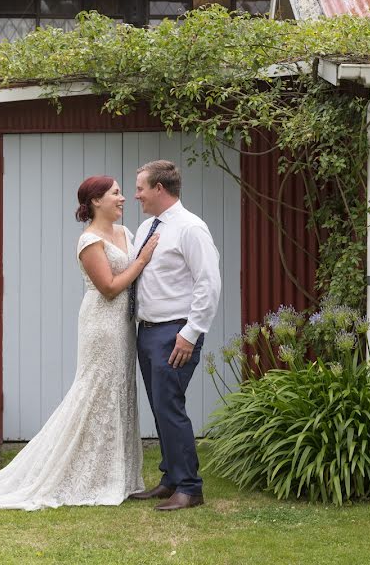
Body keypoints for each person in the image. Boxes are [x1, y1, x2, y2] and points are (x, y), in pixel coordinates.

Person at [0, 175, 158, 510]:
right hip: (101, 325)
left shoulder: (125, 233)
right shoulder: (89, 240)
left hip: (124, 326)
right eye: (115, 193)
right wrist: (142, 260)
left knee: (120, 390)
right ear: (96, 201)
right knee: (96, 391)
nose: (123, 198)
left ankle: (117, 476)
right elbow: (108, 287)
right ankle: (80, 475)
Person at [127, 160, 221, 512]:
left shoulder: (190, 228)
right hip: (147, 332)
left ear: (159, 189)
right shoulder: (146, 228)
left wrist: (190, 333)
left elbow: (208, 284)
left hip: (175, 333)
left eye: (140, 188)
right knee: (159, 407)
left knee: (170, 407)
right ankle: (170, 479)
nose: (136, 195)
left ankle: (189, 487)